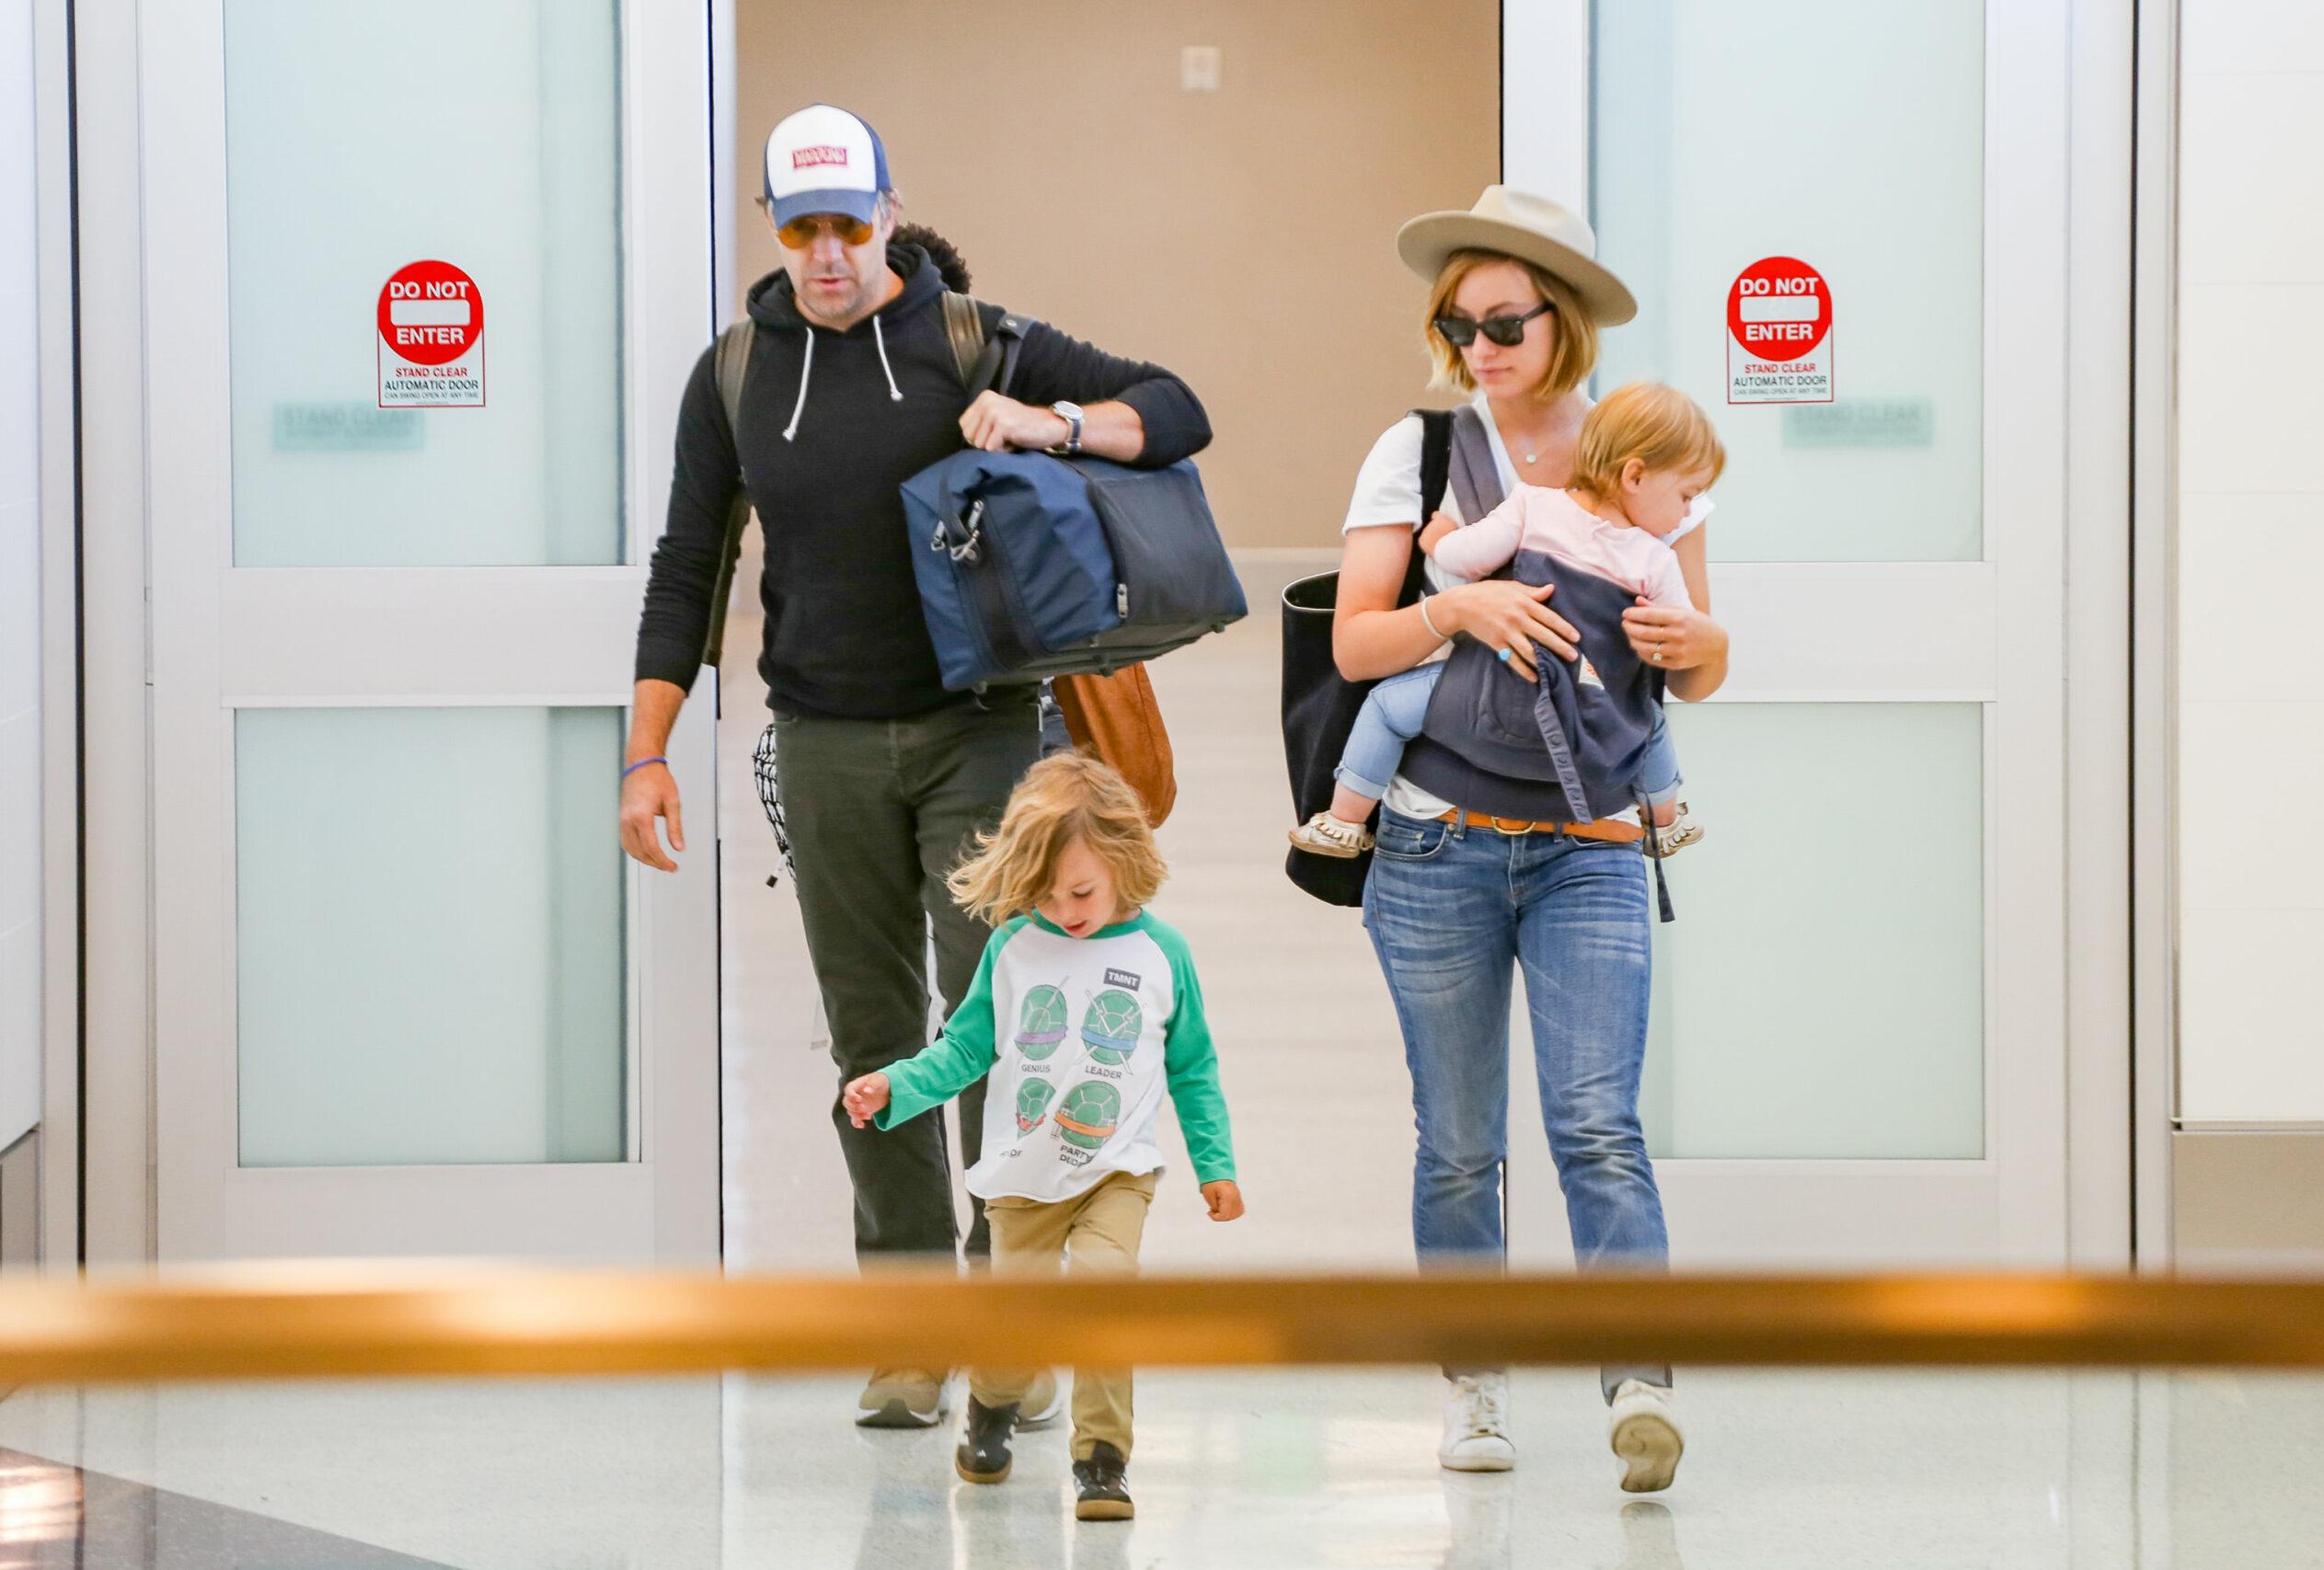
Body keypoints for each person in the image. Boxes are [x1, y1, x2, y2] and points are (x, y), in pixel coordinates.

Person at [621, 103, 1212, 1431]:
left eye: (850, 223)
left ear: (889, 213)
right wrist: (646, 749)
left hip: (981, 733)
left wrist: (1054, 421)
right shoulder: (735, 377)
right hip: (824, 740)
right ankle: (906, 1328)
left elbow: (1179, 411)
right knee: (875, 1038)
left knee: (1000, 1022)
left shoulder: (973, 340)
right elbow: (685, 569)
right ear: (773, 229)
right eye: (801, 227)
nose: (827, 252)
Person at [1330, 187, 1730, 1491]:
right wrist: (1464, 608)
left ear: (1566, 321)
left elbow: (1698, 658)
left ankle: (1638, 1387)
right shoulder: (1423, 448)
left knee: (1598, 1123)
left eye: (1507, 318)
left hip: (1596, 842)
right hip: (1440, 843)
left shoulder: (1646, 446)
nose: (1482, 342)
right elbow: (1356, 642)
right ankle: (1475, 1384)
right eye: (1461, 319)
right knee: (1458, 1137)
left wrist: (1706, 646)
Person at [842, 752, 1242, 1523]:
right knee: (1017, 1326)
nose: (1065, 907)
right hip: (1023, 1175)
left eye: (1082, 890)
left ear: (1127, 858)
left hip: (1116, 1169)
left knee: (1103, 1296)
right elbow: (964, 1050)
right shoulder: (1014, 948)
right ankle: (993, 1404)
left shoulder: (1162, 955)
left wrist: (1214, 1165)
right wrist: (896, 1085)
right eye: (1047, 892)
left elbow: (1194, 1068)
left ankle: (1102, 1460)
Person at [1291, 381, 1725, 860]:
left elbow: (1465, 559)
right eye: (1686, 495)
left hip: (1492, 683)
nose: (1687, 511)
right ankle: (1663, 823)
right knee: (1646, 725)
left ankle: (1344, 821)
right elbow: (1674, 635)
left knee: (1386, 710)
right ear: (1635, 477)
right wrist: (1694, 642)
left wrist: (1438, 540)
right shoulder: (1654, 560)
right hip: (1589, 691)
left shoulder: (1533, 505)